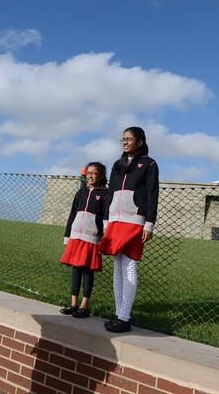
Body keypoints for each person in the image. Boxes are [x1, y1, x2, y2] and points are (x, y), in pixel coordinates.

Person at [99, 127, 159, 333]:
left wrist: (149, 223)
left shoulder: (149, 164)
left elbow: (152, 194)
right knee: (117, 267)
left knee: (129, 266)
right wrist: (106, 220)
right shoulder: (118, 164)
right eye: (123, 139)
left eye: (130, 139)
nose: (125, 142)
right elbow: (110, 192)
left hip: (135, 221)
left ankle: (125, 317)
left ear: (140, 142)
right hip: (115, 220)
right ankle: (118, 314)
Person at [60, 162, 108, 319]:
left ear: (100, 175)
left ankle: (84, 306)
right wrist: (68, 236)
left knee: (88, 271)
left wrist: (104, 238)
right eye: (88, 173)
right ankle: (73, 303)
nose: (91, 175)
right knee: (76, 269)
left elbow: (106, 218)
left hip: (92, 237)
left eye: (94, 173)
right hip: (76, 236)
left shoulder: (105, 193)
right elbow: (72, 215)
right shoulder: (80, 193)